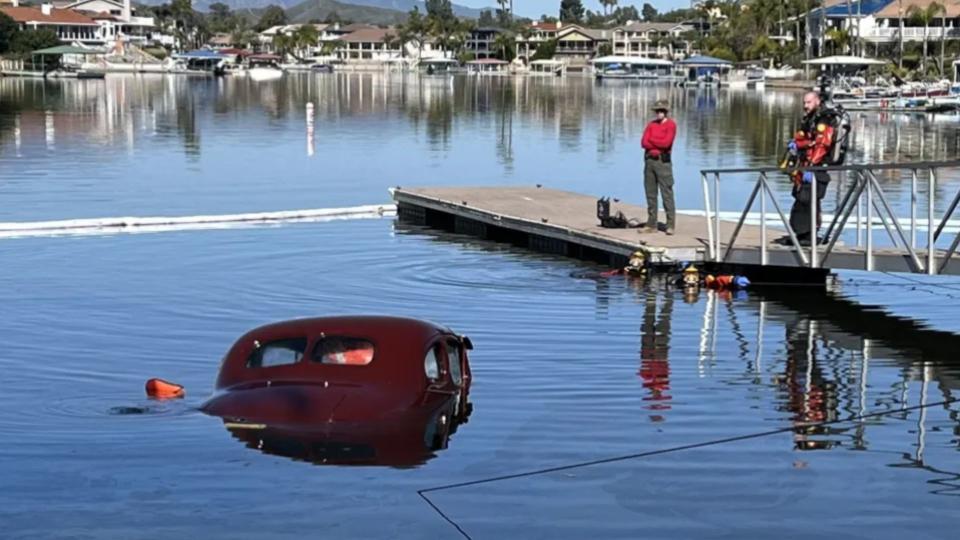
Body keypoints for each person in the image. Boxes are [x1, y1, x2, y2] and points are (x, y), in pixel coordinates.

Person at [783, 91, 838, 246]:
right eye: (804, 103)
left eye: (809, 102)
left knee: (809, 198)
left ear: (817, 101)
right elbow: (806, 138)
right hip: (805, 163)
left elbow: (822, 144)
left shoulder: (824, 119)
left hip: (816, 166)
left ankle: (810, 234)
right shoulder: (810, 118)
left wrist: (812, 166)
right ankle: (801, 233)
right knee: (800, 197)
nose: (805, 106)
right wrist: (796, 144)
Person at [640, 99, 677, 235]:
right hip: (649, 161)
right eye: (658, 111)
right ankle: (651, 224)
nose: (660, 113)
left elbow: (666, 144)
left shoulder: (671, 125)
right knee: (650, 193)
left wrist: (652, 141)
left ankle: (670, 224)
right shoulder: (651, 125)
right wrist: (654, 143)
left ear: (666, 112)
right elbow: (643, 142)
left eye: (662, 111)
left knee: (666, 193)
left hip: (663, 163)